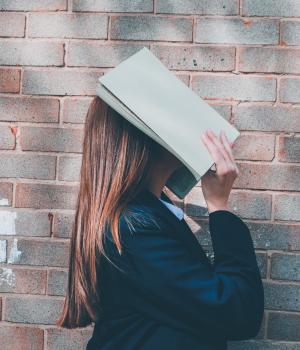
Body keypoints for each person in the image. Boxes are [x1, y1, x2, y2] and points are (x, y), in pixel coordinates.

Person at [56, 96, 264, 350]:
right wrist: (219, 207)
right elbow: (237, 312)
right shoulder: (135, 229)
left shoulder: (146, 216)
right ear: (145, 139)